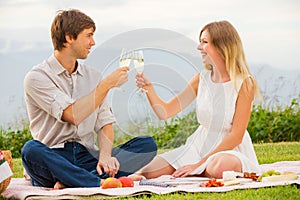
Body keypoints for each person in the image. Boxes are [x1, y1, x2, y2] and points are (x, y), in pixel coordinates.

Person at [22, 9, 157, 189]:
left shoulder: (93, 76)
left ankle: (72, 180)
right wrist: (106, 85)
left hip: (89, 157)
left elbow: (104, 123)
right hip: (54, 156)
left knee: (147, 144)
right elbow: (72, 115)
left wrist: (105, 156)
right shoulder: (37, 77)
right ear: (69, 38)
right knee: (30, 150)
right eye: (89, 36)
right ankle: (94, 181)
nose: (93, 42)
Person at [135, 20, 261, 179]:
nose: (199, 47)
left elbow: (236, 136)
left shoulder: (244, 82)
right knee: (149, 171)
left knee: (220, 167)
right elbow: (165, 112)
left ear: (222, 46)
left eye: (205, 42)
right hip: (199, 145)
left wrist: (199, 164)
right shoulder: (201, 79)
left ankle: (199, 170)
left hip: (229, 150)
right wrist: (149, 88)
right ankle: (199, 171)